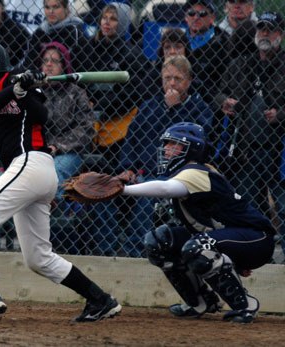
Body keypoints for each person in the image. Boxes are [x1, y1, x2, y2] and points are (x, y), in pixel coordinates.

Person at [0, 38, 122, 321]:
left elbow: (42, 115)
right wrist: (12, 91)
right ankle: (100, 300)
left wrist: (24, 90)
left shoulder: (21, 81)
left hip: (31, 162)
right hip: (28, 172)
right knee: (38, 258)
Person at [121, 121, 275, 323]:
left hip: (256, 239)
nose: (166, 150)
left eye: (174, 145)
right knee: (159, 241)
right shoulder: (185, 173)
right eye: (166, 144)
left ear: (192, 149)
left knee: (198, 246)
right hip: (229, 235)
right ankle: (200, 302)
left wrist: (122, 190)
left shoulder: (197, 171)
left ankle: (245, 305)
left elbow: (166, 189)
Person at [88, 55, 213, 257]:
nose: (171, 83)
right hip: (142, 172)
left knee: (147, 200)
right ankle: (105, 252)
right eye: (167, 78)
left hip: (177, 177)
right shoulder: (149, 106)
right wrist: (128, 168)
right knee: (107, 192)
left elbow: (197, 144)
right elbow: (132, 139)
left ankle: (135, 252)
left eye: (178, 79)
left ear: (189, 81)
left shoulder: (199, 109)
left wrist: (176, 109)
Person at [214, 11, 285, 259]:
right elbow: (218, 93)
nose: (264, 34)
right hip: (246, 151)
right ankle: (253, 257)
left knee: (283, 206)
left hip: (278, 151)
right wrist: (226, 102)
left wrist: (281, 114)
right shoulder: (241, 64)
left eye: (270, 29)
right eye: (261, 29)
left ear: (280, 35)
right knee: (248, 208)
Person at [84, 2, 149, 168]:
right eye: (104, 18)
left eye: (113, 19)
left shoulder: (131, 53)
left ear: (123, 23)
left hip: (117, 123)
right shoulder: (89, 48)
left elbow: (133, 92)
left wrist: (100, 106)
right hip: (88, 117)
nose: (106, 22)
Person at [39, 41, 95, 202]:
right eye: (45, 61)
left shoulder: (76, 93)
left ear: (64, 65)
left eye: (55, 61)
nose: (49, 65)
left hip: (69, 151)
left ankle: (49, 212)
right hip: (38, 149)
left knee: (53, 173)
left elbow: (86, 127)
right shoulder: (35, 92)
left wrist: (57, 146)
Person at [183, 0, 230, 109]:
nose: (196, 17)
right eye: (191, 13)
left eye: (202, 13)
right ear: (186, 17)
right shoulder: (177, 40)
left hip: (212, 105)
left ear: (212, 18)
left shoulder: (224, 42)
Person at [22, 0, 90, 72]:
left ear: (66, 9)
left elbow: (83, 67)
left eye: (56, 7)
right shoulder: (40, 32)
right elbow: (28, 63)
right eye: (47, 7)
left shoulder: (75, 32)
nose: (51, 11)